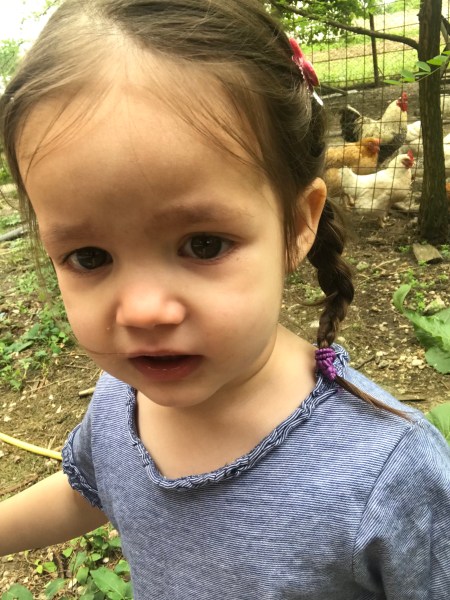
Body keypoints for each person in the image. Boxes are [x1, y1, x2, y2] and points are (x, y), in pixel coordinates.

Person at [0, 1, 449, 598]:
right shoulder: (118, 401)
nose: (142, 310)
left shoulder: (389, 472)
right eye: (88, 257)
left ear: (298, 225)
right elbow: (91, 490)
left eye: (204, 244)